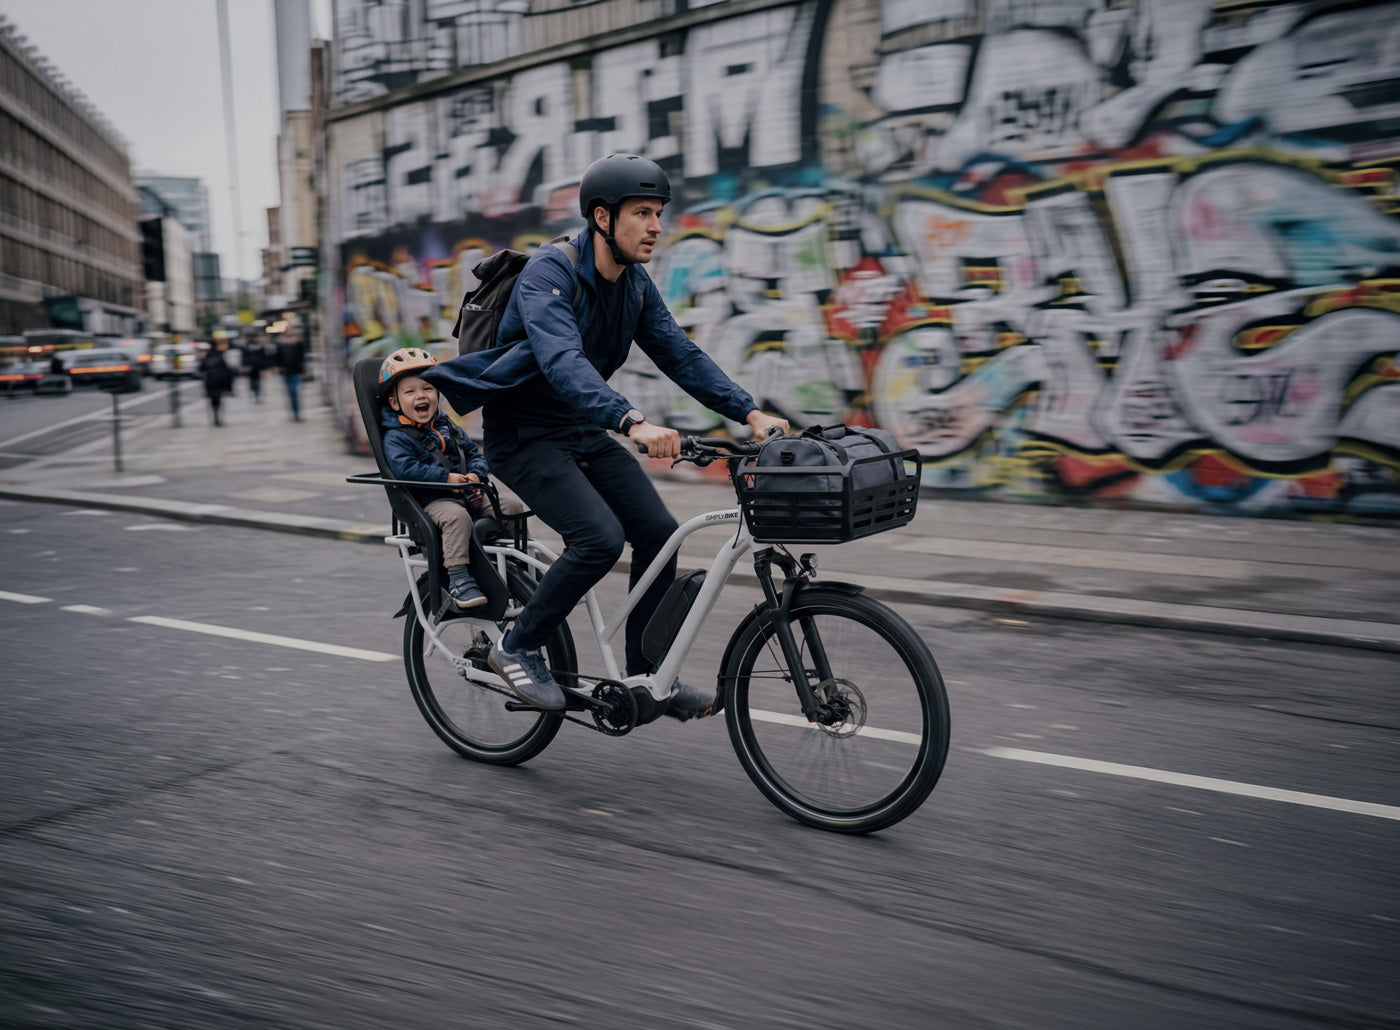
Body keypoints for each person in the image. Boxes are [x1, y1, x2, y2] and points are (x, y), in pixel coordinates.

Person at [425, 153, 788, 715]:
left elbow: (681, 354)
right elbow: (563, 359)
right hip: (523, 437)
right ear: (601, 217)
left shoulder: (634, 285)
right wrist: (632, 421)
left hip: (581, 429)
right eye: (642, 213)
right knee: (597, 538)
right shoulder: (549, 273)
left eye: (659, 213)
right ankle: (517, 647)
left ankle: (645, 676)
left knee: (659, 531)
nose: (656, 227)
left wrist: (750, 413)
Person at [378, 347, 509, 612]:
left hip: (466, 490)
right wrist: (446, 477)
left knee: (510, 507)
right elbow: (406, 469)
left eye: (427, 388)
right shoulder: (396, 437)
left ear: (437, 394)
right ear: (395, 403)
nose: (421, 396)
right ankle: (459, 578)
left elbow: (474, 453)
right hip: (431, 499)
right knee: (456, 518)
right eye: (410, 391)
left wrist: (476, 473)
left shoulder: (447, 426)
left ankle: (517, 564)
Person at [199, 339, 236, 427]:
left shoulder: (206, 357)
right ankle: (217, 418)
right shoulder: (220, 356)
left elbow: (201, 370)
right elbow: (227, 370)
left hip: (211, 382)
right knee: (218, 400)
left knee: (213, 401)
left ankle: (216, 418)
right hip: (218, 381)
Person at [276, 334, 306, 421]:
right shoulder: (281, 347)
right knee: (291, 393)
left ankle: (296, 413)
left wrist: (303, 372)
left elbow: (301, 358)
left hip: (296, 372)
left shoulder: (298, 346)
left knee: (294, 392)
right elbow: (278, 358)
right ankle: (294, 413)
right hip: (287, 373)